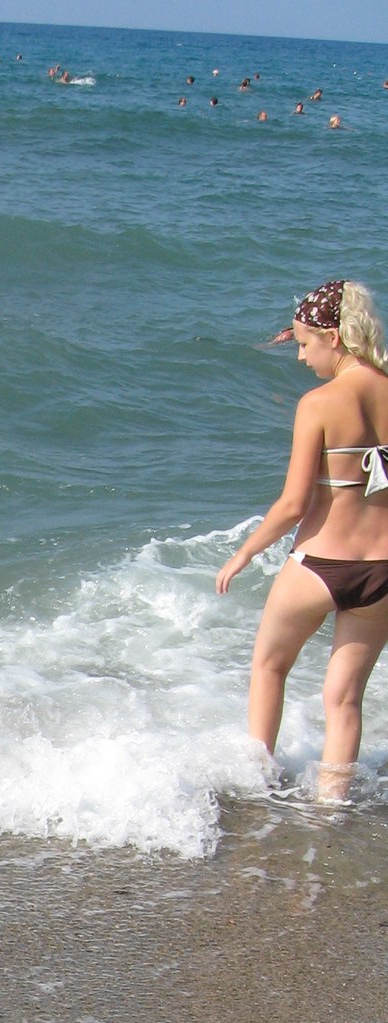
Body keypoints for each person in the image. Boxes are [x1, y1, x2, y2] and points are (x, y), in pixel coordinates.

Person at [217, 279, 388, 799]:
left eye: (304, 343)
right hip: (382, 571)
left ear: (334, 338)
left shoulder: (319, 403)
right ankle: (332, 813)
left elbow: (293, 504)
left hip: (320, 564)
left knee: (270, 667)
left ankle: (257, 788)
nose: (300, 356)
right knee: (345, 699)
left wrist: (245, 552)